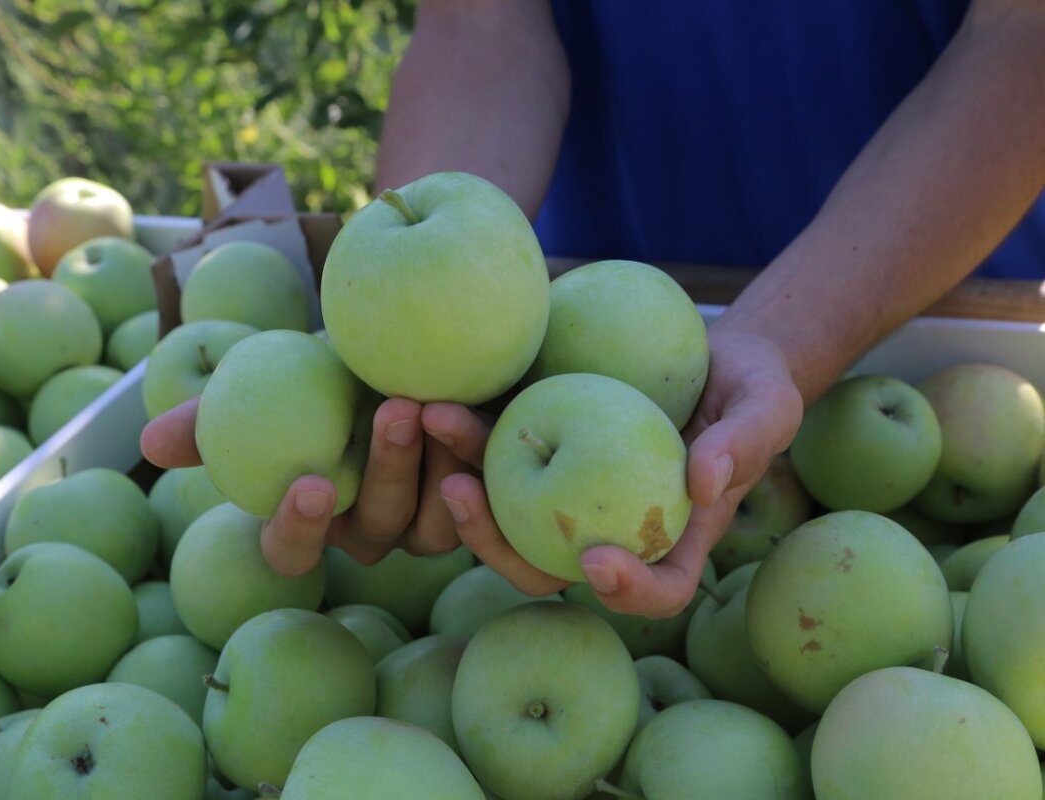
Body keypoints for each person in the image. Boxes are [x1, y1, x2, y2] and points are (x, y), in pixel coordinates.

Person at [142, 0, 1045, 618]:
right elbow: (485, 23)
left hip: (931, 262)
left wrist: (784, 335)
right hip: (588, 283)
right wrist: (410, 335)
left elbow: (1024, 38)